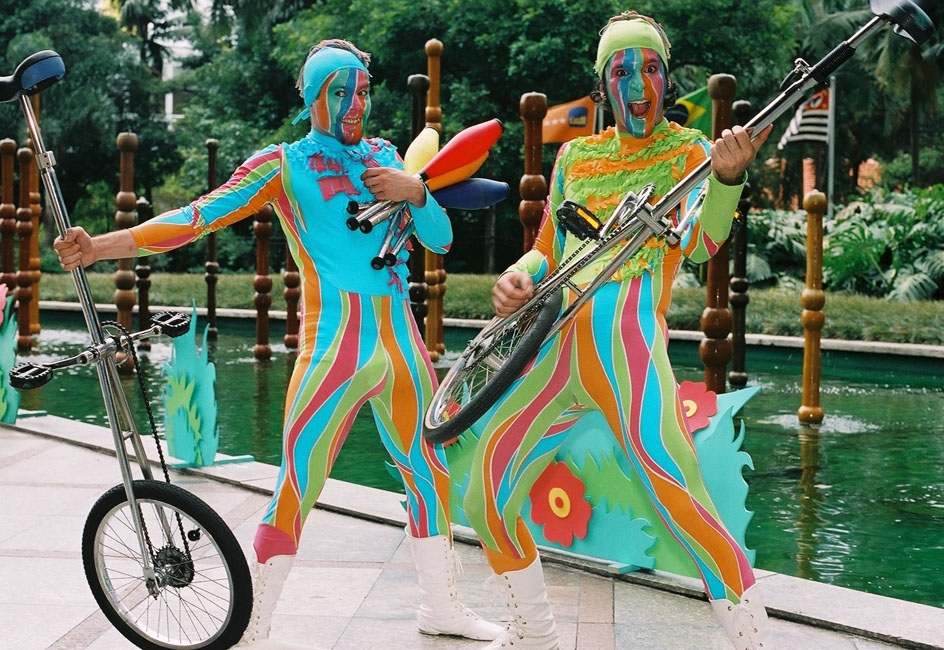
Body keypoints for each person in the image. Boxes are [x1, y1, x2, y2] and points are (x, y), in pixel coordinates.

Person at [54, 39, 502, 648]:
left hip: (403, 347)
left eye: (362, 91)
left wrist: (416, 192)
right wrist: (100, 247)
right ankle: (254, 628)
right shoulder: (283, 164)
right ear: (314, 97)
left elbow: (441, 241)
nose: (354, 104)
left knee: (430, 474)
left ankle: (441, 607)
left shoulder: (386, 156)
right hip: (333, 348)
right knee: (297, 485)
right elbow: (197, 217)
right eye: (339, 92)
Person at [462, 12, 774, 650]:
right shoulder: (575, 155)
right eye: (622, 70)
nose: (637, 83)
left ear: (666, 79)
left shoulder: (689, 155)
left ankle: (755, 643)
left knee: (680, 498)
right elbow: (547, 249)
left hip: (626, 349)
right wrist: (516, 277)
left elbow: (701, 243)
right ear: (603, 83)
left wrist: (727, 180)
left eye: (650, 68)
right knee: (484, 495)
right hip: (553, 347)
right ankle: (535, 636)